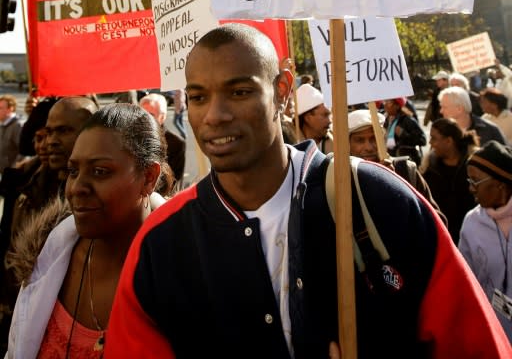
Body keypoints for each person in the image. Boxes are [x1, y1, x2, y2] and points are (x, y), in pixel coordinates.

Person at [105, 24, 510, 358]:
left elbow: (475, 343)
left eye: (240, 91)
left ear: (282, 91)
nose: (215, 115)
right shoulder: (162, 244)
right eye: (197, 97)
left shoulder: (376, 199)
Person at [6, 103, 171, 358]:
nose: (76, 187)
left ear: (149, 177)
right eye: (73, 171)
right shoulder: (47, 258)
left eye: (100, 172)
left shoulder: (185, 274)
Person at [459, 141, 512, 343]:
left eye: (475, 181)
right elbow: (466, 282)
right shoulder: (472, 222)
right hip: (491, 333)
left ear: (500, 184)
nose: (470, 188)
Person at [347, 108, 442, 213]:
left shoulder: (406, 171)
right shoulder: (341, 179)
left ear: (384, 138)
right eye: (360, 140)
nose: (369, 147)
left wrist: (395, 184)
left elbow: (435, 220)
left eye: (374, 138)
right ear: (348, 145)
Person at [421, 118, 479, 243]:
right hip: (442, 238)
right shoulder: (428, 168)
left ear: (449, 141)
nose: (430, 143)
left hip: (474, 237)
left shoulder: (474, 166)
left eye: (434, 138)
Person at [139, 93, 185, 187]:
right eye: (142, 114)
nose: (145, 119)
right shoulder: (129, 136)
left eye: (151, 115)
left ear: (162, 117)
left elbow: (174, 181)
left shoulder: (175, 143)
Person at [439, 86, 506, 146]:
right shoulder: (441, 131)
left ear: (459, 109)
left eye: (444, 107)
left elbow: (506, 157)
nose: (441, 111)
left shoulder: (490, 130)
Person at [382, 97, 426, 165]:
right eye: (385, 101)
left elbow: (423, 140)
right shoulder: (386, 120)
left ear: (397, 106)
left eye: (389, 102)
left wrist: (403, 134)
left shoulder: (408, 120)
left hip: (404, 161)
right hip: (392, 159)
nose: (385, 104)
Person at [296, 82, 333, 154]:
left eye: (330, 115)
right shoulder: (291, 145)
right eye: (325, 115)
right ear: (308, 118)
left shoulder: (334, 143)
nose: (330, 121)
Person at [0, 96, 22, 174]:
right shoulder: (3, 124)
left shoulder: (17, 126)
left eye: (0, 108)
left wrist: (12, 169)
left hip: (12, 174)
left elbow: (23, 151)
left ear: (10, 109)